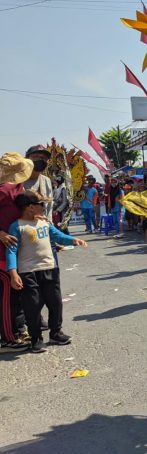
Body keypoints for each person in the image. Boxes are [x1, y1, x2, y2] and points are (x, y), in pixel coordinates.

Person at [6, 190, 87, 353]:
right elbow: (11, 251)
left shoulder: (45, 223)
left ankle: (56, 333)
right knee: (33, 306)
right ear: (30, 207)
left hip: (50, 268)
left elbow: (58, 236)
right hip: (28, 272)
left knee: (55, 303)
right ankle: (36, 339)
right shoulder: (17, 227)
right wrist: (13, 273)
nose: (44, 207)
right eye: (41, 204)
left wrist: (74, 240)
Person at [0, 152, 32, 348]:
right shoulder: (4, 191)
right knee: (6, 297)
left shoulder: (19, 188)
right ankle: (8, 338)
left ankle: (18, 329)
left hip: (16, 251)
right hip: (2, 253)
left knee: (16, 294)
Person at [23, 145, 54, 222]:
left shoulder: (46, 180)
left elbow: (49, 207)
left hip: (42, 228)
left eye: (44, 158)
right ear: (27, 159)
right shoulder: (17, 179)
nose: (40, 159)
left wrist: (49, 226)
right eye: (35, 156)